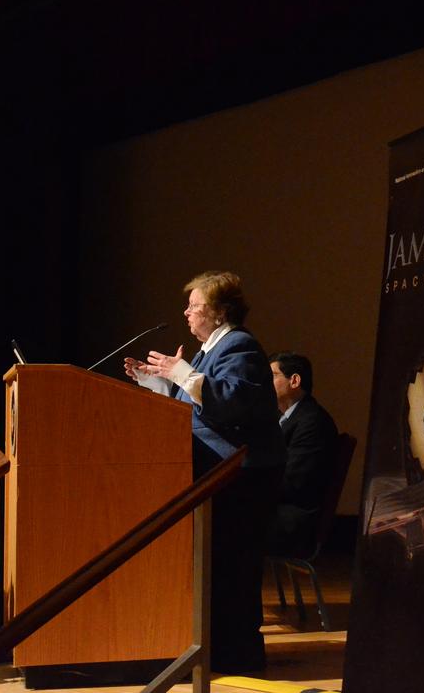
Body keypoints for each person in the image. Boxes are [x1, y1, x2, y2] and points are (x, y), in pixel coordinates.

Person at [125, 270, 284, 673]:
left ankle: (239, 657)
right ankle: (217, 651)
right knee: (218, 567)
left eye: (195, 306)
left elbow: (231, 403)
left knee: (233, 568)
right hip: (217, 474)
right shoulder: (209, 350)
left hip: (240, 478)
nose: (187, 312)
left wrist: (179, 373)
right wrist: (158, 383)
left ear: (218, 311)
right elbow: (194, 408)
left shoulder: (240, 346)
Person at [266, 352, 339, 558]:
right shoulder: (292, 418)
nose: (264, 382)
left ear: (294, 380)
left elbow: (292, 482)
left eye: (272, 375)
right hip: (283, 513)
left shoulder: (312, 422)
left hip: (295, 523)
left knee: (225, 522)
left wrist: (249, 489)